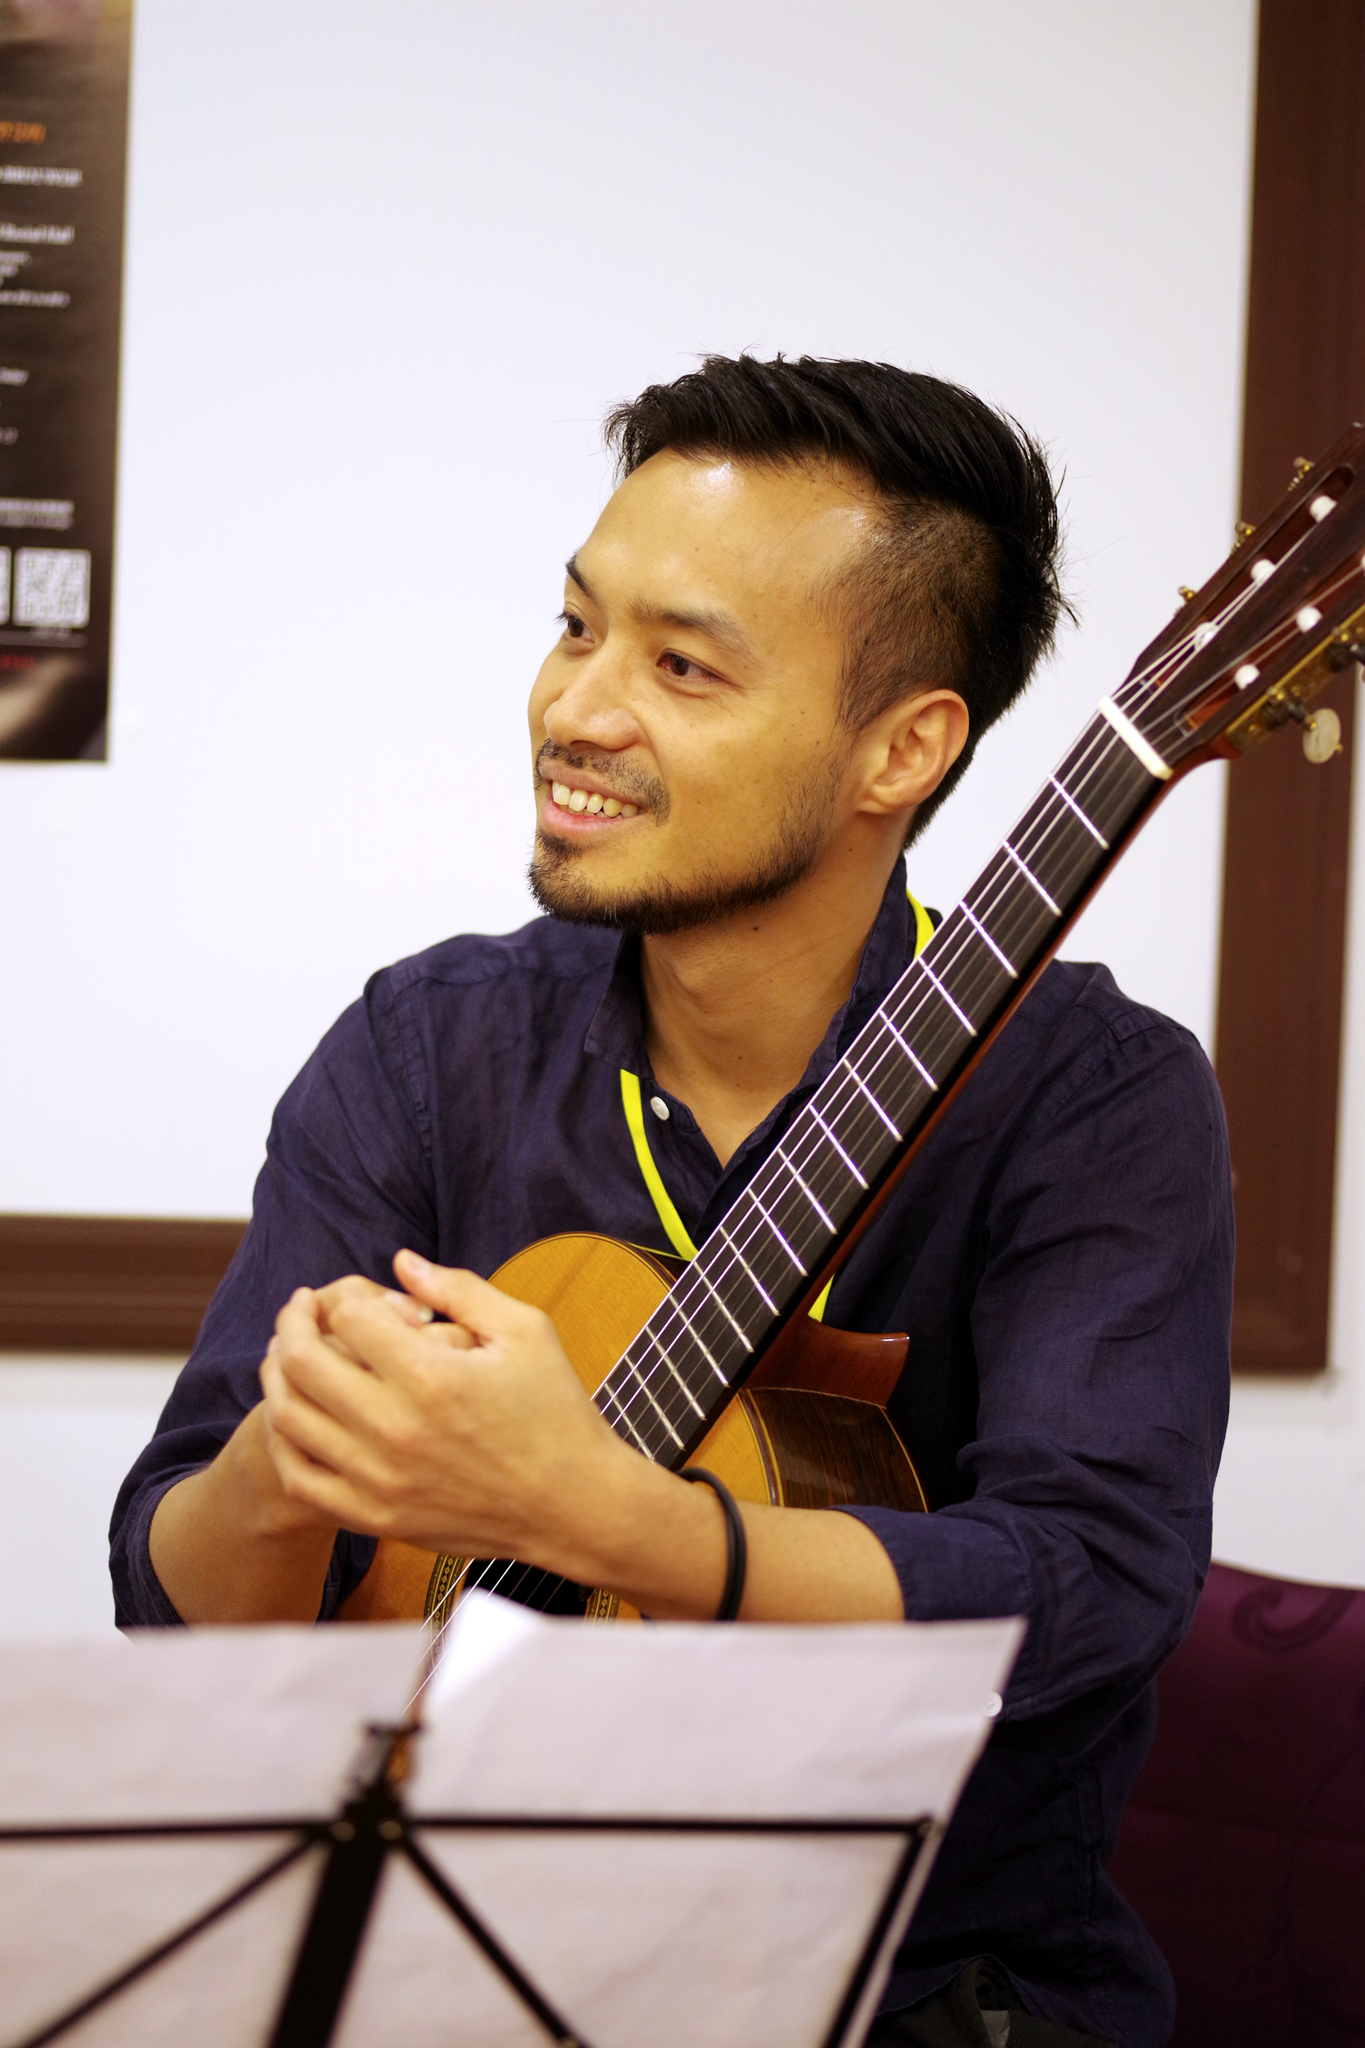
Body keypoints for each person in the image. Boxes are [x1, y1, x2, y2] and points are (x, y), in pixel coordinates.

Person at [110, 356, 1232, 2048]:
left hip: (915, 1997)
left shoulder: (1089, 1094)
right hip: (432, 1974)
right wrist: (300, 1450)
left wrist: (601, 1515)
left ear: (902, 747)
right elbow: (172, 1597)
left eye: (681, 664)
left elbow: (1088, 1589)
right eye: (575, 627)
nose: (577, 708)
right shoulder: (428, 1046)